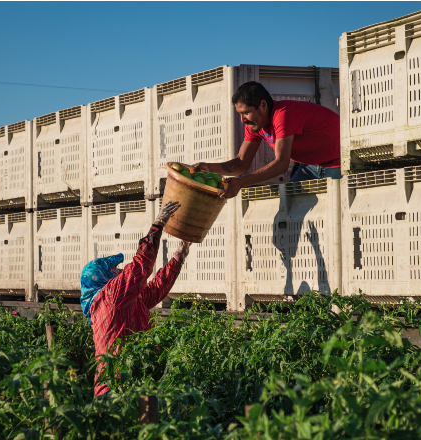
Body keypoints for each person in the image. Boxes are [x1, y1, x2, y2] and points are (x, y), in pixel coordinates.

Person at [80, 200, 190, 398]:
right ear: (102, 278)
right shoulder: (110, 296)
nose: (119, 271)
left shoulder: (125, 300)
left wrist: (179, 256)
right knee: (131, 427)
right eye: (113, 270)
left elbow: (155, 290)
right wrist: (158, 224)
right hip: (116, 392)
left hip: (135, 383)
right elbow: (140, 267)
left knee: (144, 427)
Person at [194, 81, 340, 199]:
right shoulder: (254, 124)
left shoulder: (284, 114)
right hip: (310, 166)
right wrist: (208, 167)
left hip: (338, 164)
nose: (242, 120)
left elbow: (282, 163)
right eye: (239, 114)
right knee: (292, 205)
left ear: (263, 105)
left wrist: (241, 183)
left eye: (246, 113)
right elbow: (241, 164)